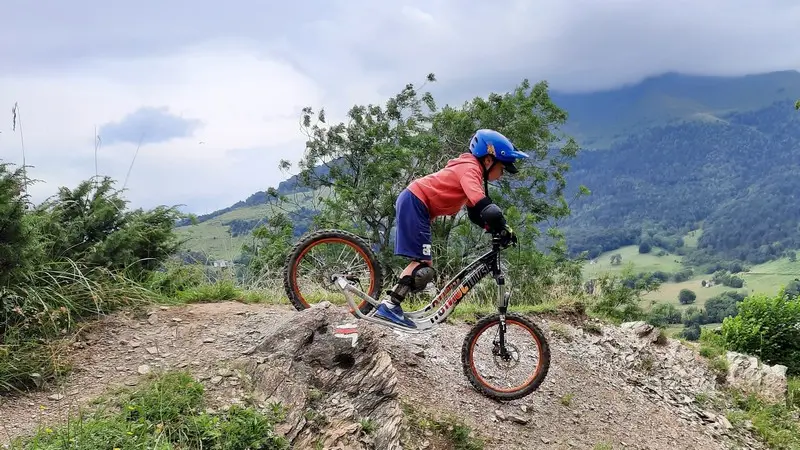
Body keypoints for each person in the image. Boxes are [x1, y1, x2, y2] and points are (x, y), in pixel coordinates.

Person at [374, 129, 528, 328]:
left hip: (416, 204)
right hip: (415, 202)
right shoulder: (470, 169)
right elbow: (483, 204)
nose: (502, 174)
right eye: (502, 168)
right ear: (489, 160)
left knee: (424, 266)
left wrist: (494, 228)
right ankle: (390, 306)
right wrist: (502, 226)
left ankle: (392, 304)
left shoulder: (471, 170)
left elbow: (475, 213)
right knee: (422, 269)